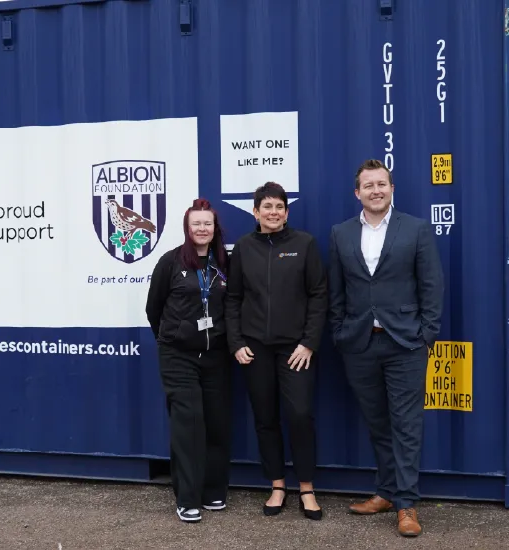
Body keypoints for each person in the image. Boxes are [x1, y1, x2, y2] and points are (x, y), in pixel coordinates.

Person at [327, 159, 444, 537]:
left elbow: (432, 285)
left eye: (382, 184)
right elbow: (336, 290)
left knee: (406, 425)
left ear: (391, 189)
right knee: (378, 423)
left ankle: (407, 504)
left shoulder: (416, 229)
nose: (376, 190)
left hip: (405, 342)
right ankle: (386, 492)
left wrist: (426, 334)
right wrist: (340, 331)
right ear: (357, 193)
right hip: (359, 344)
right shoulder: (341, 233)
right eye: (368, 185)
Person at [224, 182, 328, 521]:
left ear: (286, 211)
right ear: (255, 212)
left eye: (279, 206)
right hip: (254, 349)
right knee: (265, 418)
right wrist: (236, 342)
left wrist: (309, 342)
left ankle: (307, 489)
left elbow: (318, 295)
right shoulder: (242, 248)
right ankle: (278, 485)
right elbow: (233, 299)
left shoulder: (304, 244)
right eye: (266, 206)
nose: (273, 212)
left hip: (295, 348)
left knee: (299, 415)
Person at [145, 197, 234, 523]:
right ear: (187, 228)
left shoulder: (224, 262)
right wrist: (176, 336)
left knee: (216, 423)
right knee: (188, 426)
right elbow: (153, 309)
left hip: (216, 356)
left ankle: (213, 491)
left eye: (207, 223)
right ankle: (187, 498)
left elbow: (233, 304)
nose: (201, 228)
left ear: (214, 228)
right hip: (178, 355)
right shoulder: (171, 262)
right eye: (196, 223)